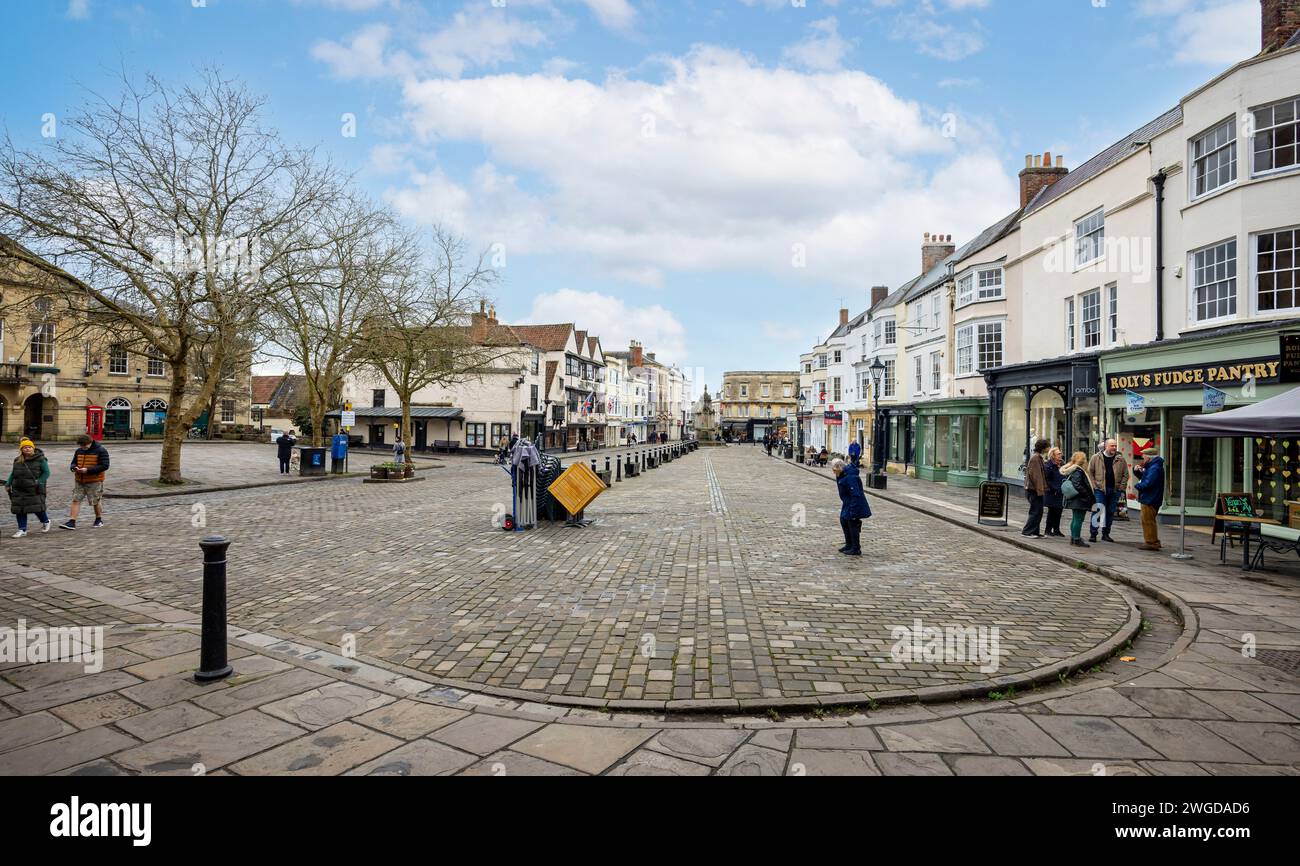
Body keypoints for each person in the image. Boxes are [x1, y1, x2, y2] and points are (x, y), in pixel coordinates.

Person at [59, 434, 109, 530]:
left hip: (94, 480)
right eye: (81, 445)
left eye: (84, 445)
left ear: (90, 443)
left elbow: (105, 465)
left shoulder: (101, 450)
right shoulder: (79, 451)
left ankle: (98, 519)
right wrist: (74, 467)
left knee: (95, 501)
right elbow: (74, 462)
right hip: (79, 480)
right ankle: (72, 522)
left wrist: (88, 470)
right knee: (76, 499)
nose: (82, 447)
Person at [5, 439, 51, 537]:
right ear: (21, 449)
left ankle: (46, 521)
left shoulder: (40, 459)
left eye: (29, 447)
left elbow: (46, 472)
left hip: (34, 488)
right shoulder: (17, 460)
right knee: (19, 509)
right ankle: (22, 529)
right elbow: (13, 473)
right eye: (25, 447)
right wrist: (8, 484)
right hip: (18, 487)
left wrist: (39, 481)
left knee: (36, 507)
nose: (27, 449)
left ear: (33, 448)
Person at [1087, 439, 1129, 543]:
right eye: (1112, 446)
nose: (1114, 448)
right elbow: (1090, 472)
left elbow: (1126, 474)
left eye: (1115, 446)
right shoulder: (1096, 458)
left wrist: (1121, 488)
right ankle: (1093, 534)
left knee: (1110, 512)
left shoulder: (1120, 459)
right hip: (1100, 489)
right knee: (1098, 510)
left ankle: (1106, 534)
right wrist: (1094, 486)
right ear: (1106, 446)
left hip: (1114, 490)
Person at [832, 458, 872, 556]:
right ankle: (849, 544)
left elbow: (855, 494)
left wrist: (853, 510)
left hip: (854, 503)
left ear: (839, 467)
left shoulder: (850, 477)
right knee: (843, 520)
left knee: (852, 523)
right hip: (847, 503)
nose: (833, 472)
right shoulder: (841, 475)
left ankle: (856, 548)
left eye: (834, 470)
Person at [1133, 447, 1165, 551]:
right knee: (1149, 521)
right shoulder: (1153, 466)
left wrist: (1138, 486)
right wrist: (1137, 472)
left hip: (1150, 498)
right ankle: (1153, 541)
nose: (1142, 457)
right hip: (1151, 497)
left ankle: (1151, 543)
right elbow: (1146, 478)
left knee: (1148, 521)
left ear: (1149, 457)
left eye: (1144, 456)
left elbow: (1148, 483)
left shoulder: (1154, 468)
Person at [1062, 451, 1095, 548]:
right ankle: (1076, 539)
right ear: (1082, 460)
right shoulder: (1078, 471)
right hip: (1079, 499)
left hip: (1077, 499)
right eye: (1085, 459)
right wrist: (1087, 494)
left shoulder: (1074, 470)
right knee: (1078, 519)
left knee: (1076, 519)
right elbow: (1078, 485)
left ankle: (1074, 538)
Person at [1021, 438, 1050, 537]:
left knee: (1038, 511)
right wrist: (1040, 491)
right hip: (1033, 490)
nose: (1049, 448)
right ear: (1043, 448)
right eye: (1047, 446)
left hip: (1036, 490)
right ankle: (1027, 531)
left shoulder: (1038, 458)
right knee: (1035, 511)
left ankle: (1034, 531)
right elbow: (1036, 476)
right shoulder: (1035, 459)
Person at [1044, 447, 1065, 537]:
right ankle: (1048, 530)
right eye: (1058, 454)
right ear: (1053, 456)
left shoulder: (1062, 464)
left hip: (1060, 491)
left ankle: (1056, 530)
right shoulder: (1048, 466)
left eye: (1060, 453)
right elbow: (1046, 480)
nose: (1060, 455)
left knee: (1059, 511)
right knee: (1052, 511)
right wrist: (1053, 489)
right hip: (1052, 492)